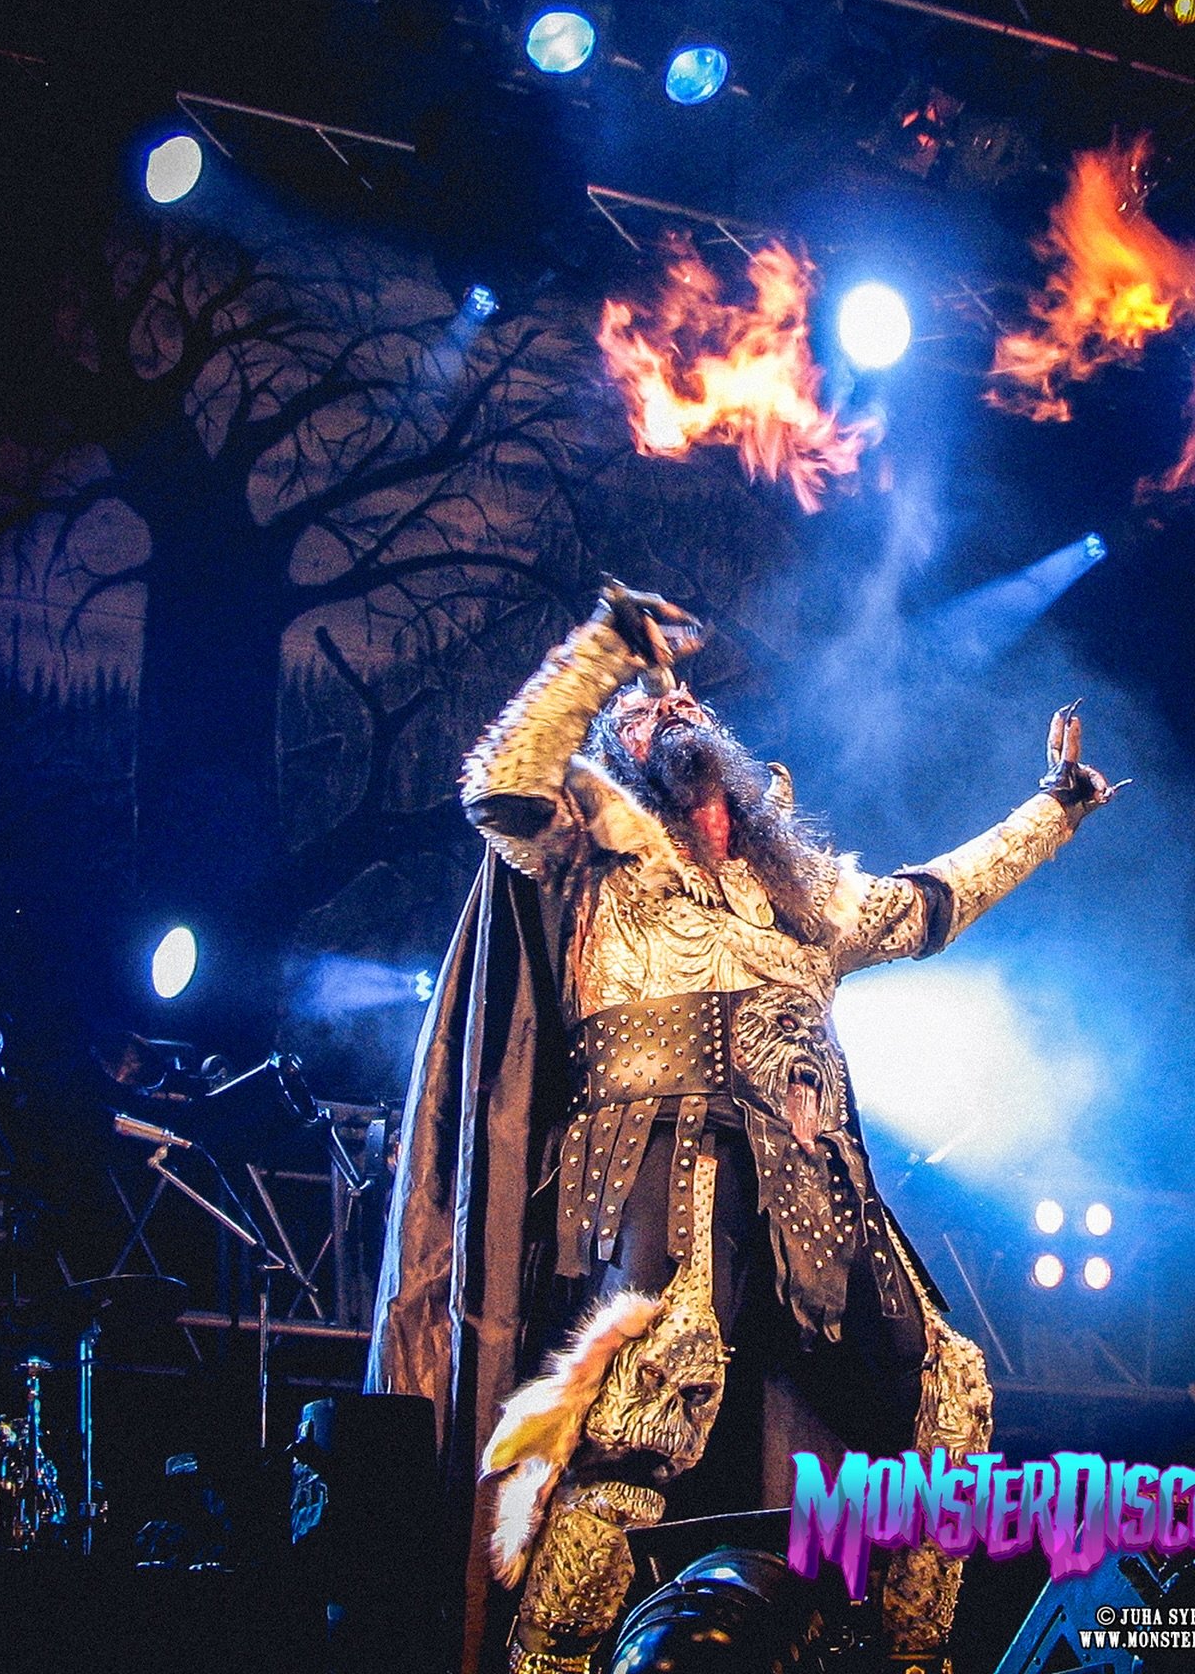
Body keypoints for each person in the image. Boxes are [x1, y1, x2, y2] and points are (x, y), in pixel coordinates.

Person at [370, 580, 1118, 1674]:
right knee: (645, 1416)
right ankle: (550, 1664)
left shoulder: (801, 894)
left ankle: (913, 1661)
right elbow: (499, 785)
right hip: (656, 1168)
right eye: (642, 714)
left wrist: (1054, 810)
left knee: (946, 1398)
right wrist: (604, 652)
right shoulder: (595, 861)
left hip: (810, 1187)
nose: (666, 711)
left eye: (681, 705)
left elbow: (929, 900)